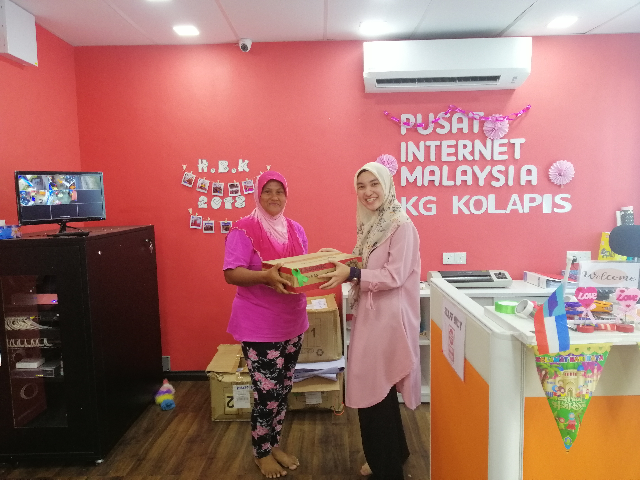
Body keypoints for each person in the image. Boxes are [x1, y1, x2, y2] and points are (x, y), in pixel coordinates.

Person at [320, 157, 421, 480]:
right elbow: (366, 264)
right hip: (374, 315)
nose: (368, 192)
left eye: (374, 184)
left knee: (374, 390)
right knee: (380, 390)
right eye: (361, 186)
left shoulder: (401, 225)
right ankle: (394, 454)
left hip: (389, 320)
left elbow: (394, 275)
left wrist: (351, 273)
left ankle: (386, 467)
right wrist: (337, 259)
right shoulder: (373, 225)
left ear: (387, 185)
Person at [223, 170, 308, 479]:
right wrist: (265, 276)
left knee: (283, 390)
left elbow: (299, 272)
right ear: (258, 195)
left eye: (279, 191)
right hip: (259, 324)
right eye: (267, 191)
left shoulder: (296, 229)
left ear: (286, 196)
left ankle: (273, 445)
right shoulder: (243, 229)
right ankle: (261, 453)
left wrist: (322, 267)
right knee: (266, 393)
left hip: (292, 321)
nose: (274, 197)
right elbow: (231, 273)